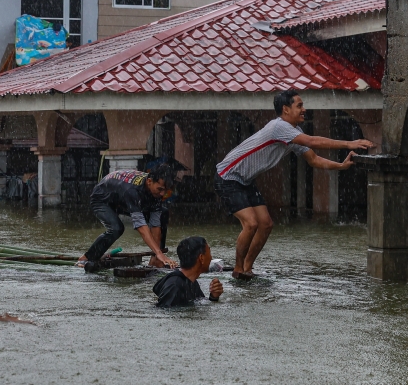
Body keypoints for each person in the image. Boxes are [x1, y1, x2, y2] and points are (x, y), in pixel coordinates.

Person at [215, 90, 374, 279]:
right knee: (251, 224)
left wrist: (341, 166)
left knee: (265, 224)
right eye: (299, 106)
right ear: (285, 109)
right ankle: (238, 269)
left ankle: (247, 268)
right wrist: (349, 144)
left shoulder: (293, 133)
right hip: (228, 176)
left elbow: (313, 159)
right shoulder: (278, 126)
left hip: (246, 180)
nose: (304, 109)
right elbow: (312, 141)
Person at [77, 164, 178, 271]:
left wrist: (158, 254)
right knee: (117, 228)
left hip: (121, 200)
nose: (162, 193)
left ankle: (155, 261)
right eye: (160, 189)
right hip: (102, 199)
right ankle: (87, 258)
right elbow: (141, 227)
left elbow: (155, 225)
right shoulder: (132, 191)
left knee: (163, 213)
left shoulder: (156, 192)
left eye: (165, 190)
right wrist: (159, 252)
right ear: (149, 182)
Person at [152, 236, 223, 308]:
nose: (211, 257)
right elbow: (164, 314)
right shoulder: (174, 285)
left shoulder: (191, 282)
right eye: (209, 253)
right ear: (201, 258)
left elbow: (199, 306)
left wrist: (214, 297)